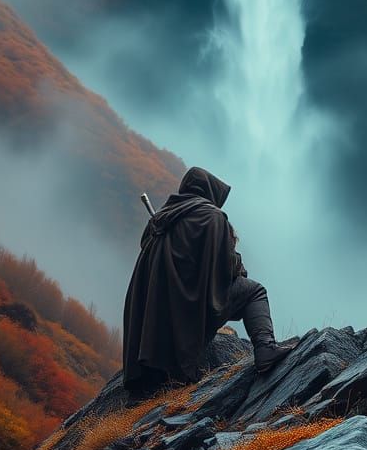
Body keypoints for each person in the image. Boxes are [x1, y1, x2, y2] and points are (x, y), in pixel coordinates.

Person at [122, 166, 293, 390]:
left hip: (157, 313)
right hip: (189, 306)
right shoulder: (212, 217)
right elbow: (225, 267)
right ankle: (265, 350)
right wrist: (237, 264)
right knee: (254, 291)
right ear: (207, 191)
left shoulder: (161, 220)